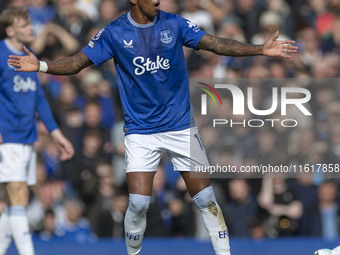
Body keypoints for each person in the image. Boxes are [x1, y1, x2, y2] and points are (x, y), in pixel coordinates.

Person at [8, 0, 297, 254]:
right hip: (141, 132)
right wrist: (42, 66)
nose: (159, 0)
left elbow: (216, 43)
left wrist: (260, 49)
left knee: (206, 199)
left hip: (180, 127)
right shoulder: (114, 33)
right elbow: (77, 62)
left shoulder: (174, 23)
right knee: (138, 204)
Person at [0, 7, 74, 255]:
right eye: (25, 25)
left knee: (8, 201)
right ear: (10, 30)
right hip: (7, 137)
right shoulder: (0, 54)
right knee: (18, 195)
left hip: (27, 137)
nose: (32, 28)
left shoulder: (28, 56)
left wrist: (55, 133)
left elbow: (39, 99)